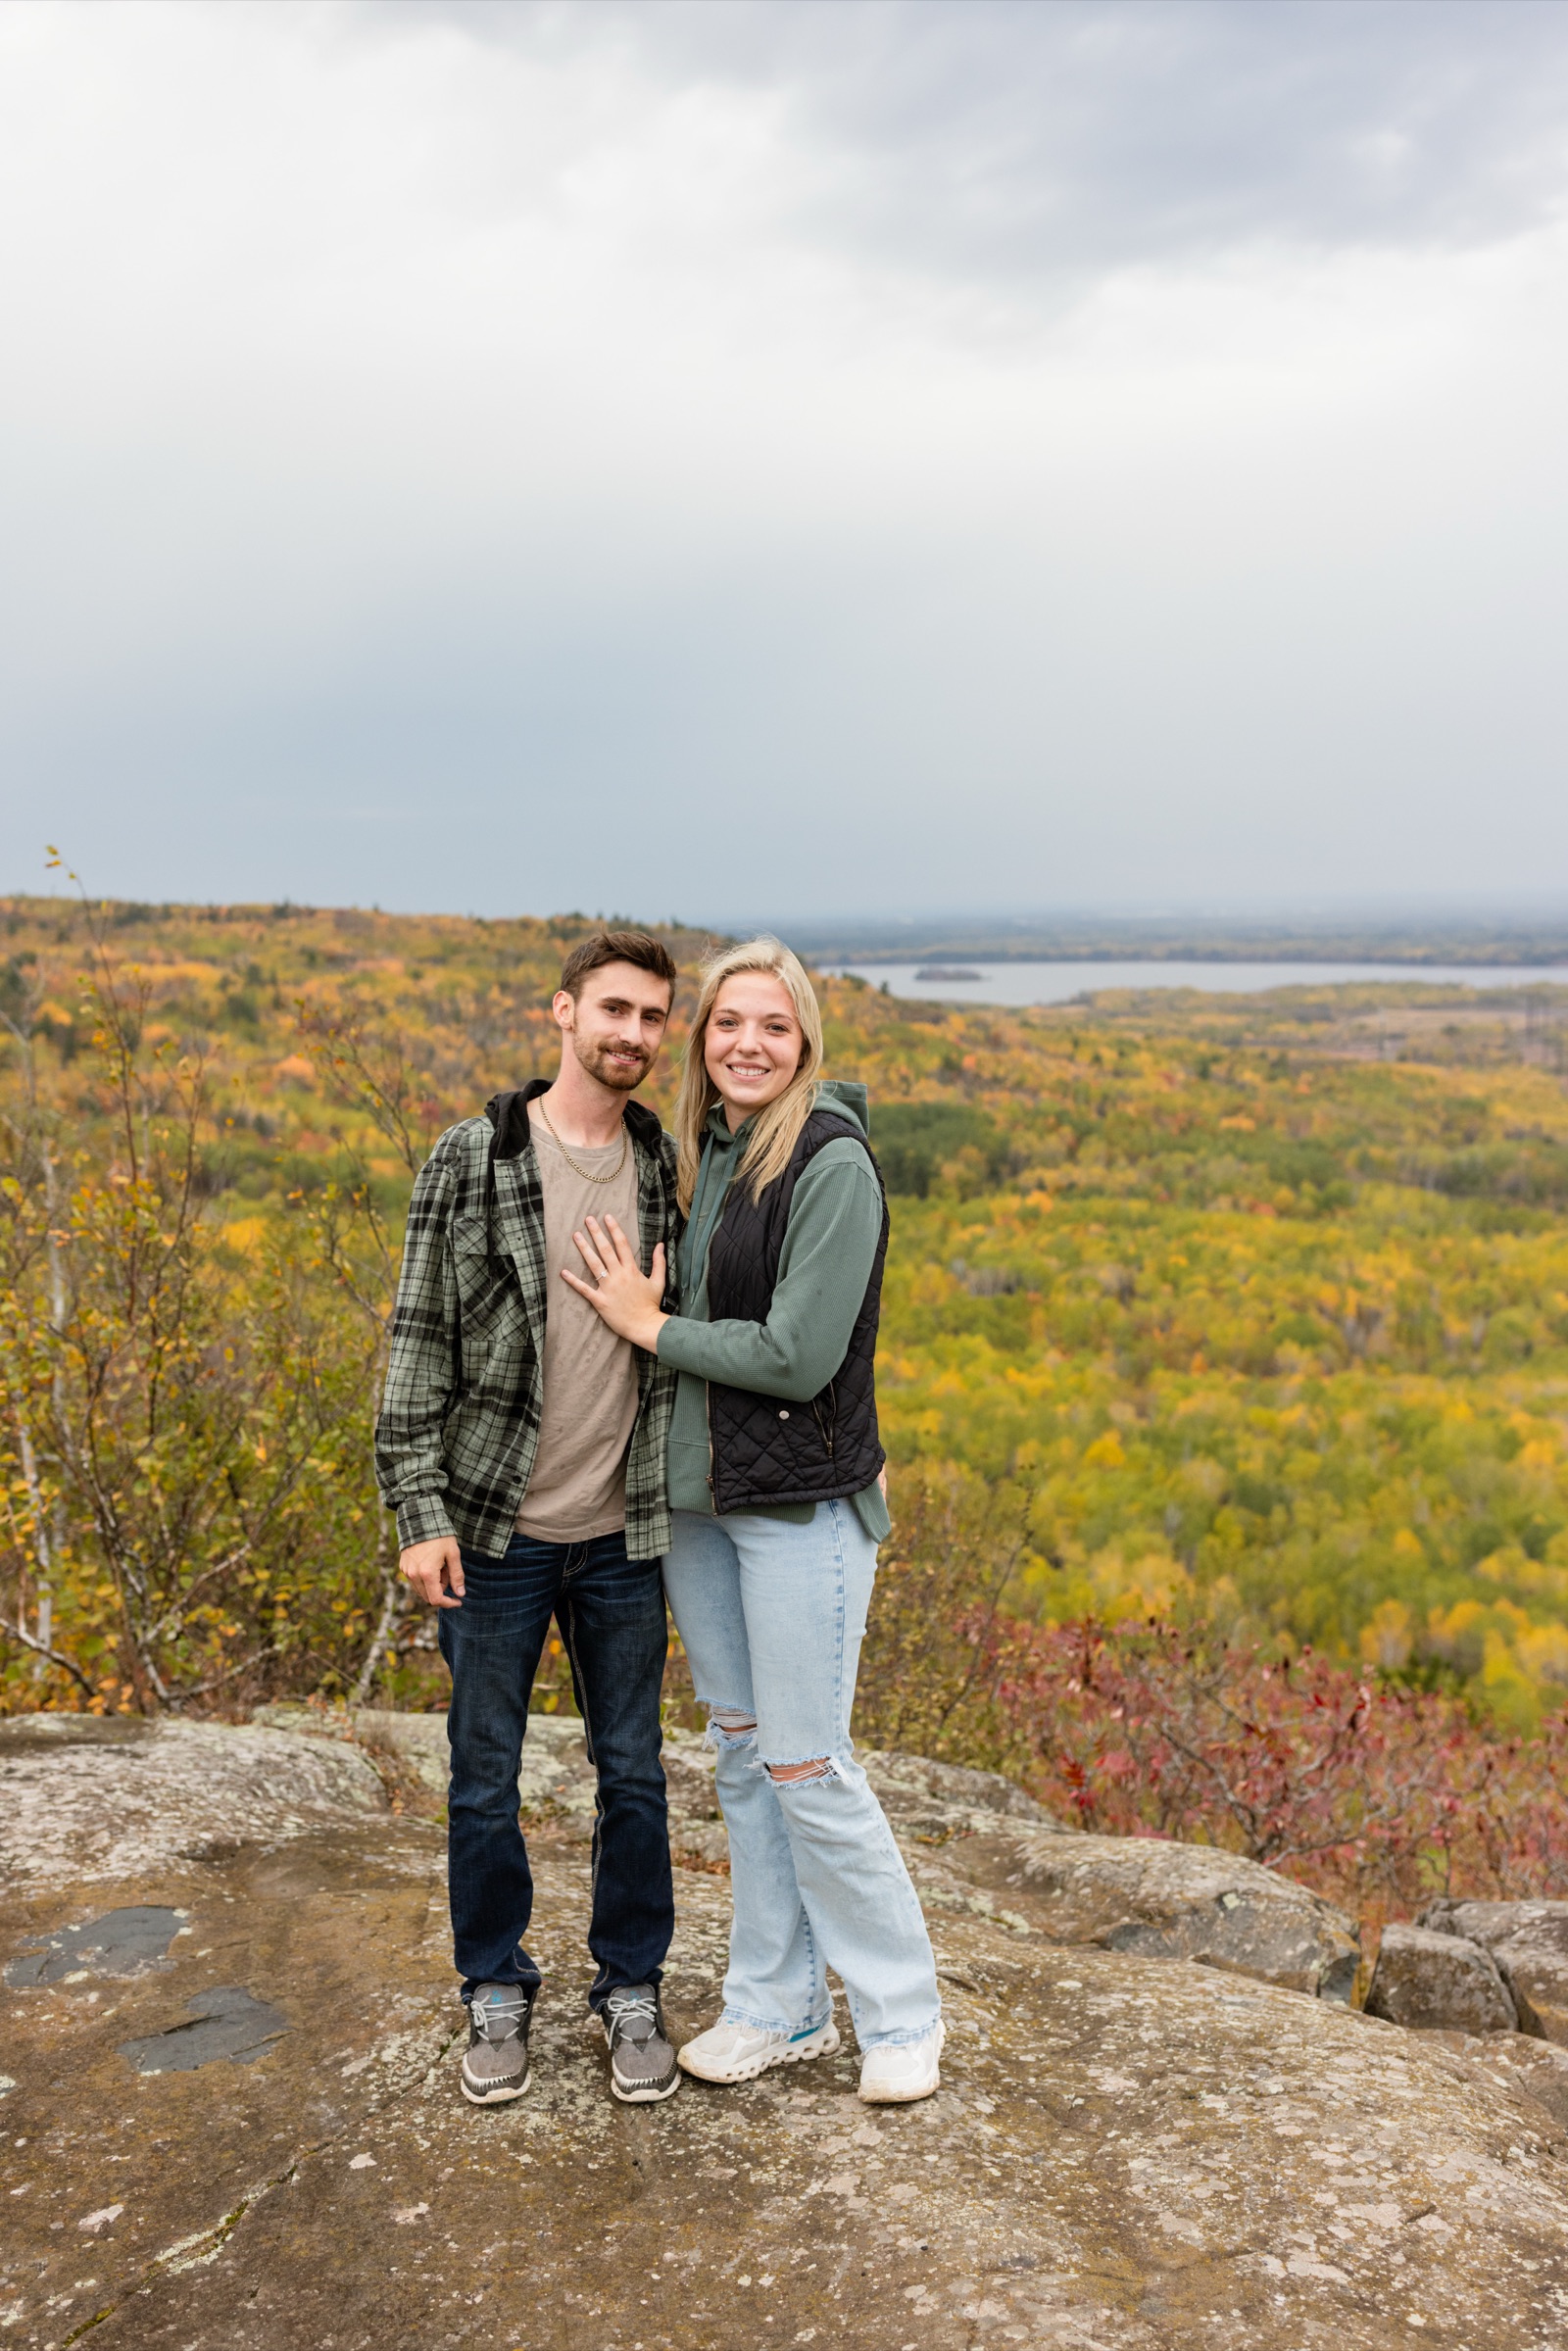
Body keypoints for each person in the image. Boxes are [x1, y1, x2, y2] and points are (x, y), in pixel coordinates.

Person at [562, 936, 944, 2105]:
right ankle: (775, 2006)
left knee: (805, 1760)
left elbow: (794, 1353)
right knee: (741, 1756)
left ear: (806, 1039)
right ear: (703, 1040)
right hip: (703, 1510)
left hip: (798, 1512)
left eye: (772, 1025)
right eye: (728, 1023)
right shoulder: (709, 1155)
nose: (747, 1043)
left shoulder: (829, 1162)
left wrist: (648, 1321)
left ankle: (900, 2012)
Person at [374, 930, 684, 2107]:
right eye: (614, 1009)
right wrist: (420, 1510)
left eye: (654, 1017)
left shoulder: (667, 1167)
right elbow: (416, 1347)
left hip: (624, 1531)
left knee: (634, 1772)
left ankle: (632, 1983)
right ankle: (494, 1981)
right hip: (496, 1531)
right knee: (481, 1773)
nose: (634, 1036)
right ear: (561, 1012)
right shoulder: (475, 1157)